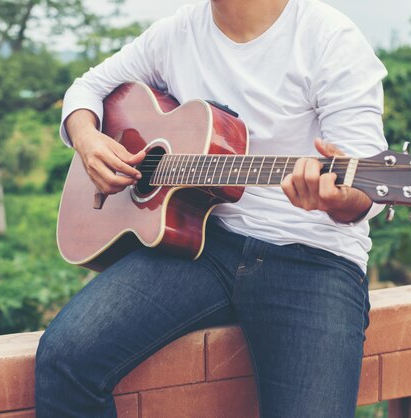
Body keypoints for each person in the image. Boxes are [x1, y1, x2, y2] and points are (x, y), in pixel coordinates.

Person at [35, 0, 388, 416]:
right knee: (64, 358)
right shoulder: (176, 33)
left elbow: (366, 191)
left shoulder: (330, 38)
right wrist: (88, 140)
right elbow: (86, 88)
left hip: (313, 257)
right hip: (203, 244)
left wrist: (333, 199)